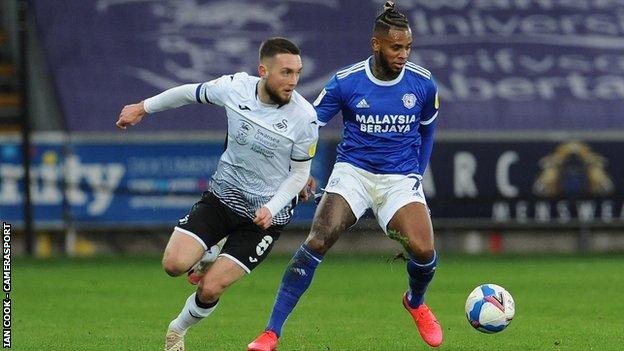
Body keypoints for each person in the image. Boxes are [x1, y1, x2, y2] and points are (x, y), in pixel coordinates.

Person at [248, 2, 442, 350]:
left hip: (399, 178)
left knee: (424, 250)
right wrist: (300, 170)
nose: (403, 54)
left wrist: (417, 171)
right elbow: (308, 125)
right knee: (318, 239)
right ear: (376, 45)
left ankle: (415, 301)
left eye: (408, 47)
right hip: (353, 172)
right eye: (396, 47)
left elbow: (428, 130)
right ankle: (271, 332)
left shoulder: (423, 84)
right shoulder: (346, 81)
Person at [115, 37, 319, 351]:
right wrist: (143, 107)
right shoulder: (235, 87)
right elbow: (187, 93)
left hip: (265, 219)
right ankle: (211, 250)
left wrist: (273, 206)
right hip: (223, 198)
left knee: (211, 289)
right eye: (285, 72)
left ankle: (176, 330)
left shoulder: (304, 118)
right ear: (263, 70)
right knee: (173, 265)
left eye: (297, 73)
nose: (293, 81)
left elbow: (299, 174)